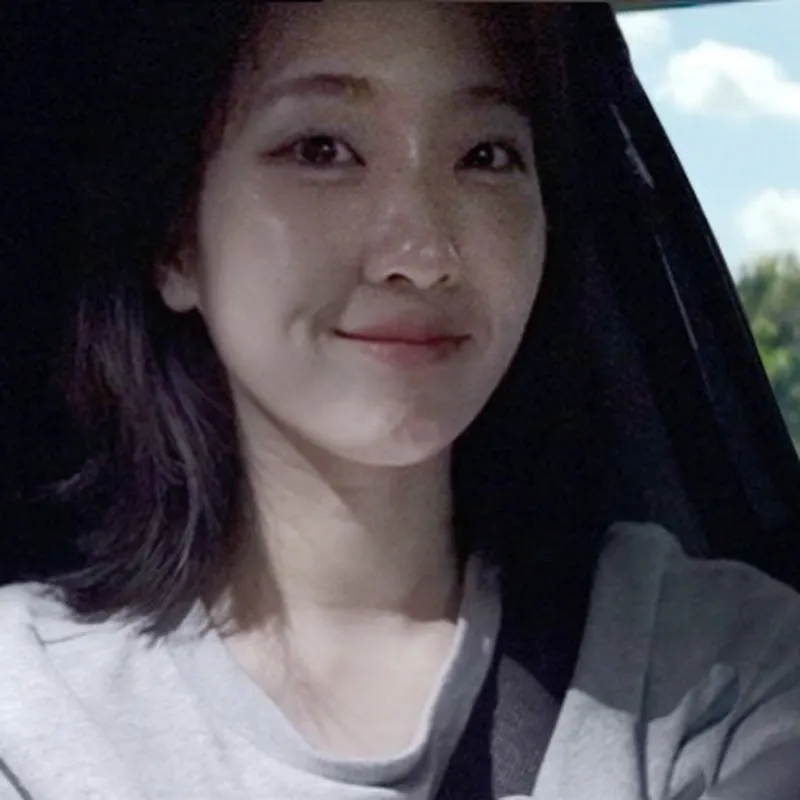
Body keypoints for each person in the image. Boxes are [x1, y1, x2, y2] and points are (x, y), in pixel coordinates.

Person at [1, 3, 799, 798]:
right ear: (178, 242)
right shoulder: (29, 707)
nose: (421, 255)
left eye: (485, 155)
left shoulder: (723, 672)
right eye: (321, 149)